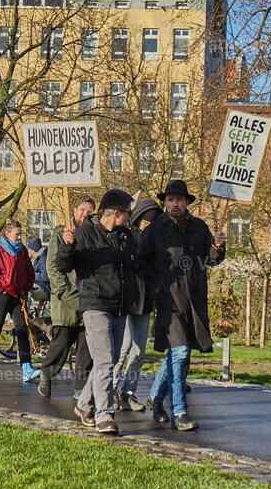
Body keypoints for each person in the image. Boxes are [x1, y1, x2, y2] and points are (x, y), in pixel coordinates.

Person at [139, 180, 227, 431]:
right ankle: (180, 411)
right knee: (180, 353)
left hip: (194, 300)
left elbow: (211, 260)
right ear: (164, 202)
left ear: (187, 202)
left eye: (179, 200)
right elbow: (142, 263)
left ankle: (156, 398)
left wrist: (217, 246)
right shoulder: (154, 230)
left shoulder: (199, 227)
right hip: (168, 300)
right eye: (170, 200)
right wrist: (157, 288)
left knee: (177, 354)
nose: (175, 204)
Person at [56, 189, 139, 434]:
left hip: (119, 305)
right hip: (95, 304)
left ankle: (84, 404)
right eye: (128, 212)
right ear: (116, 212)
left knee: (109, 361)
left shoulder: (125, 236)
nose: (130, 216)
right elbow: (63, 266)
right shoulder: (84, 234)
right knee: (104, 360)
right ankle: (104, 415)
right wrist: (67, 246)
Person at [36, 197, 95, 398]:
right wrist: (62, 289)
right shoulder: (61, 233)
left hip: (88, 296)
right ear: (75, 210)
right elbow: (52, 265)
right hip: (66, 297)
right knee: (62, 342)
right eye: (82, 210)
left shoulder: (93, 234)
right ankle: (47, 372)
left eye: (90, 210)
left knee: (86, 345)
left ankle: (80, 386)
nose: (85, 214)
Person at [112, 197, 162, 412]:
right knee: (122, 348)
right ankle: (111, 388)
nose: (147, 227)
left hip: (145, 301)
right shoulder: (124, 236)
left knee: (139, 350)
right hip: (126, 300)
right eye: (145, 223)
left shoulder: (159, 242)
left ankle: (128, 391)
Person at [0, 219, 41, 382]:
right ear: (7, 234)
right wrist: (0, 287)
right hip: (1, 296)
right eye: (16, 234)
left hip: (17, 296)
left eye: (21, 234)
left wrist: (25, 287)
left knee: (22, 329)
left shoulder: (22, 251)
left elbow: (30, 271)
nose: (20, 237)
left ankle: (27, 367)